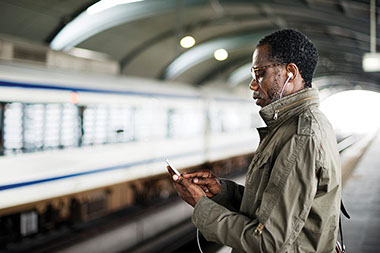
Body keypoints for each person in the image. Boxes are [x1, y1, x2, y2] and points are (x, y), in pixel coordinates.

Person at [168, 29, 341, 252]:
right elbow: (270, 206)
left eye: (260, 73)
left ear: (290, 72)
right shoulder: (289, 126)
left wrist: (201, 205)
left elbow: (268, 242)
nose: (252, 84)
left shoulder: (300, 136)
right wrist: (222, 192)